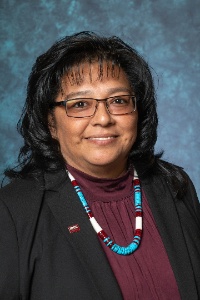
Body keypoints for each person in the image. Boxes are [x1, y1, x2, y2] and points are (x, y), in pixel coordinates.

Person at [0, 31, 199, 300]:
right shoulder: (13, 212)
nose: (103, 119)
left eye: (118, 101)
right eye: (80, 104)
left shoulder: (176, 187)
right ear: (50, 123)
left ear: (138, 111)